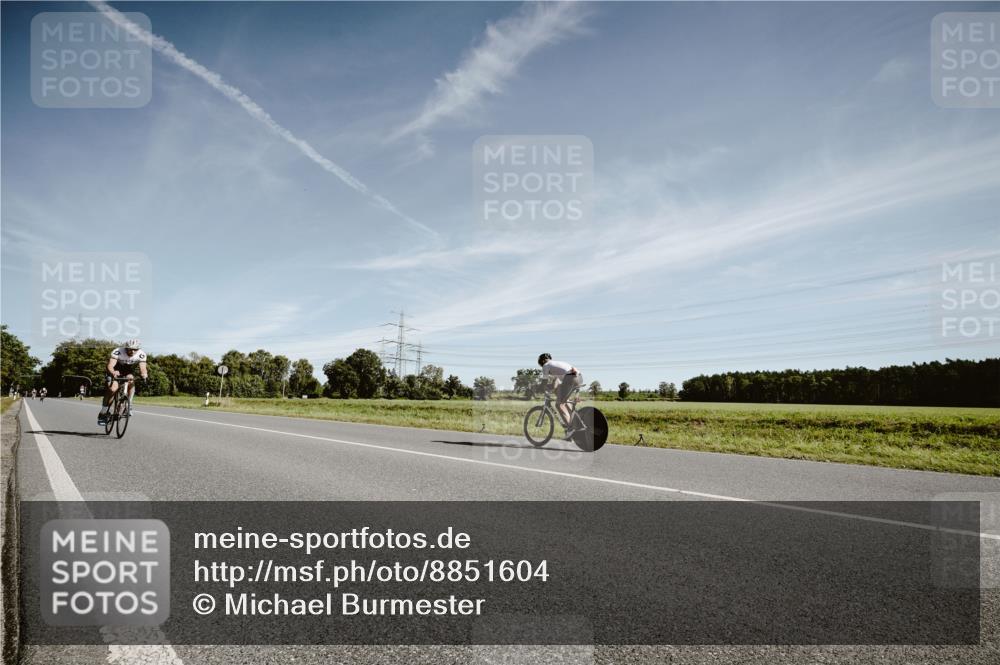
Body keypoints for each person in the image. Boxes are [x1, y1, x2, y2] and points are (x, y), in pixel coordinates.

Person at [98, 339, 148, 426]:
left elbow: (143, 368)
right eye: (130, 349)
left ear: (138, 349)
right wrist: (113, 372)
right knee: (112, 389)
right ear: (125, 348)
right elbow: (110, 365)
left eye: (135, 349)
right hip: (115, 370)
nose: (132, 351)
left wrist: (144, 374)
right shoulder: (118, 351)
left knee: (131, 379)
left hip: (128, 371)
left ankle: (129, 405)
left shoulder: (141, 354)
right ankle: (103, 412)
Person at [537, 353, 583, 436]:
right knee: (563, 399)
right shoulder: (555, 365)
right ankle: (576, 422)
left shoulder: (546, 365)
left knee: (559, 405)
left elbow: (544, 382)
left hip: (570, 378)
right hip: (579, 377)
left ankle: (570, 429)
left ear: (542, 361)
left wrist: (537, 389)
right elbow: (555, 385)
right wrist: (551, 390)